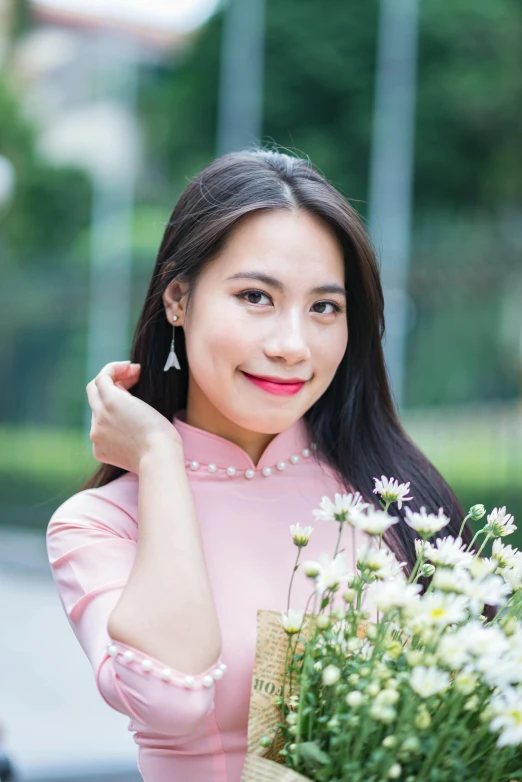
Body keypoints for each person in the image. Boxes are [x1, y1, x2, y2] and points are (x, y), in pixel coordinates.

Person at [46, 148, 473, 782]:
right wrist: (160, 458)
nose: (292, 345)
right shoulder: (101, 525)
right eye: (255, 296)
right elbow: (172, 701)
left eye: (324, 307)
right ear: (177, 300)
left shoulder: (396, 502)